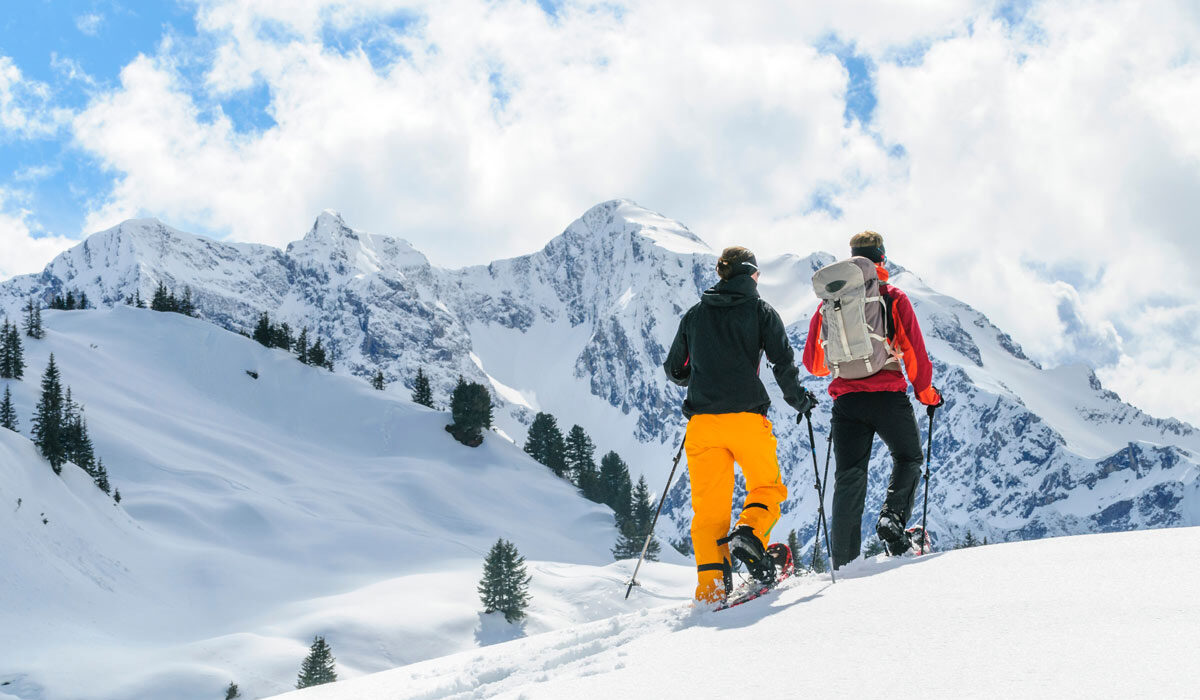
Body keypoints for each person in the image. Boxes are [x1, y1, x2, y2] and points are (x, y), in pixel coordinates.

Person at [664, 246, 818, 604]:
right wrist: (800, 401)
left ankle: (711, 591)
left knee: (709, 513)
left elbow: (675, 370)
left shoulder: (694, 315)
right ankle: (749, 532)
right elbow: (782, 364)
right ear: (751, 275)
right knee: (768, 489)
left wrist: (701, 376)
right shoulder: (761, 311)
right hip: (747, 419)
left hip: (702, 425)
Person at [802, 230, 944, 569]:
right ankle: (892, 518)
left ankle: (844, 563)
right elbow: (914, 352)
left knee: (849, 477)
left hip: (846, 403)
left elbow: (814, 364)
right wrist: (927, 394)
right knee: (908, 458)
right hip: (888, 397)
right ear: (881, 258)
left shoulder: (829, 305)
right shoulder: (891, 296)